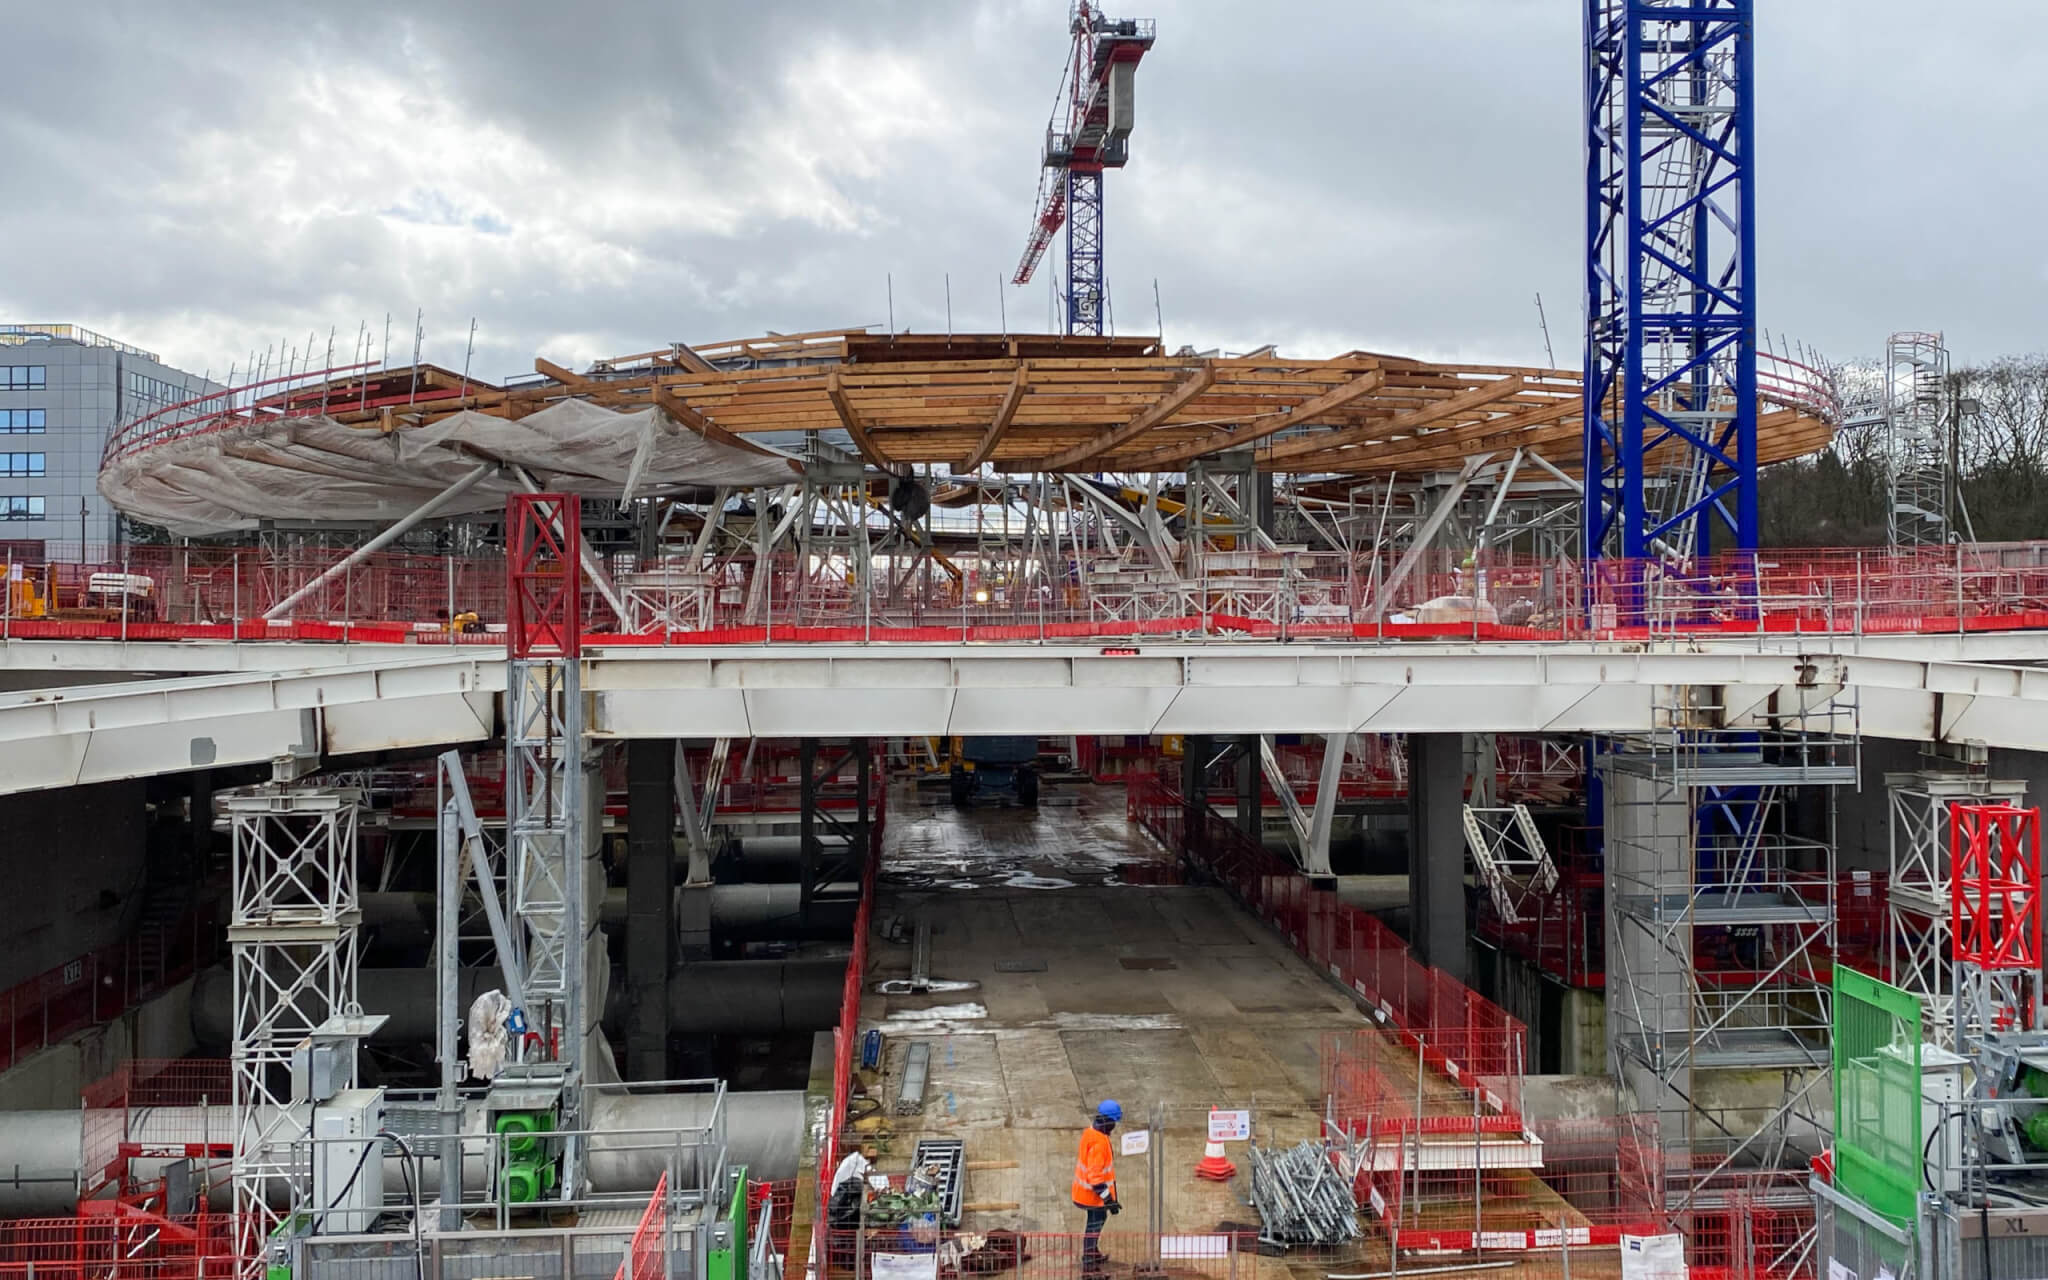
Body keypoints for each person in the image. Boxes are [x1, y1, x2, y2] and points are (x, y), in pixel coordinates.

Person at [1072, 1100, 1122, 1273]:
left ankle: (1092, 1253)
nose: (1115, 1126)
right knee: (1094, 1225)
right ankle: (1088, 1261)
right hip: (1091, 1196)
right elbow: (1095, 1177)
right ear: (1108, 1121)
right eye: (1114, 1122)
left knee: (1097, 1222)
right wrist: (1109, 1200)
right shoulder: (1099, 1143)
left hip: (1086, 1193)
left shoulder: (1091, 1132)